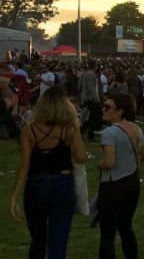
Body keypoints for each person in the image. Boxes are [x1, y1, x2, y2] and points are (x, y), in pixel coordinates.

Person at [9, 86, 88, 259]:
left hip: (37, 184)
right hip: (63, 183)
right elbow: (82, 157)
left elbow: (24, 166)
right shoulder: (69, 129)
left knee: (37, 238)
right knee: (59, 240)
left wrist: (14, 196)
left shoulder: (29, 131)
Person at [98, 93, 144, 259]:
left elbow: (109, 163)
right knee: (126, 227)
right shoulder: (136, 128)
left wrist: (99, 164)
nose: (103, 109)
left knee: (107, 235)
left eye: (107, 107)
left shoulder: (109, 132)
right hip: (132, 183)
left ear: (119, 111)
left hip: (112, 184)